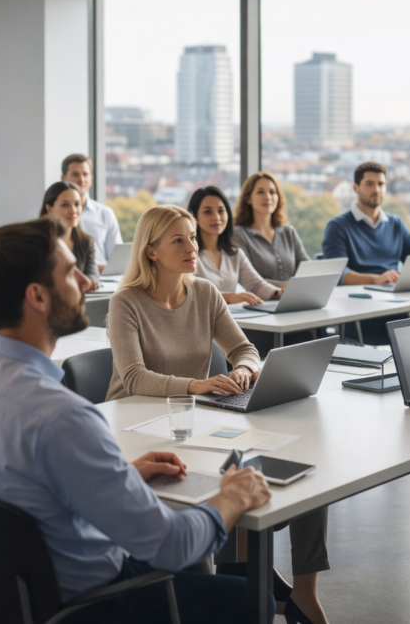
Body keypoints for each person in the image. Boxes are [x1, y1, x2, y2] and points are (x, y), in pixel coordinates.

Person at [0, 216, 273, 624]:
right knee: (253, 600)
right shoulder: (62, 417)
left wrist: (112, 475)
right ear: (37, 296)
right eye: (71, 273)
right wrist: (231, 496)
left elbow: (6, 489)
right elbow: (172, 545)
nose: (88, 284)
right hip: (86, 605)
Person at [106, 205, 331, 624]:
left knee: (305, 473)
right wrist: (197, 384)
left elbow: (244, 349)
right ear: (151, 251)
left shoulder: (205, 293)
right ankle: (234, 574)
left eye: (192, 237)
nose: (193, 246)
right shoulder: (126, 303)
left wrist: (244, 369)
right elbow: (134, 377)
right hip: (138, 427)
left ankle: (301, 593)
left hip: (197, 419)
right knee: (222, 483)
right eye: (179, 239)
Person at [322, 163, 410, 343]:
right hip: (359, 311)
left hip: (394, 305)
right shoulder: (338, 227)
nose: (376, 189)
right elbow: (336, 274)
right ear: (355, 188)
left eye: (381, 184)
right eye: (369, 184)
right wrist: (376, 279)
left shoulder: (395, 224)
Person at [188, 186, 281, 306]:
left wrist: (278, 293)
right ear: (194, 217)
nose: (216, 217)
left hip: (231, 319)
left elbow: (256, 285)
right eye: (208, 212)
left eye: (221, 211)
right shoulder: (188, 254)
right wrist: (228, 297)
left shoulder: (235, 253)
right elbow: (187, 294)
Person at [233, 172, 309, 285]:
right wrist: (286, 286)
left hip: (295, 299)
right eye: (260, 192)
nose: (268, 197)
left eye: (272, 192)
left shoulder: (289, 232)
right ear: (248, 198)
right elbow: (246, 279)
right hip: (260, 301)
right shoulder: (238, 234)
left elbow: (307, 268)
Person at [62, 153, 122, 271]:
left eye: (85, 174)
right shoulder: (55, 213)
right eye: (75, 174)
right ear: (63, 178)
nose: (81, 179)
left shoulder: (105, 213)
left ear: (91, 178)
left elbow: (117, 259)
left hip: (103, 280)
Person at [40, 180, 101, 287]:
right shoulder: (39, 241)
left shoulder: (86, 241)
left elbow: (92, 271)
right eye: (65, 205)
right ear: (49, 208)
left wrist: (91, 282)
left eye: (77, 204)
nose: (73, 211)